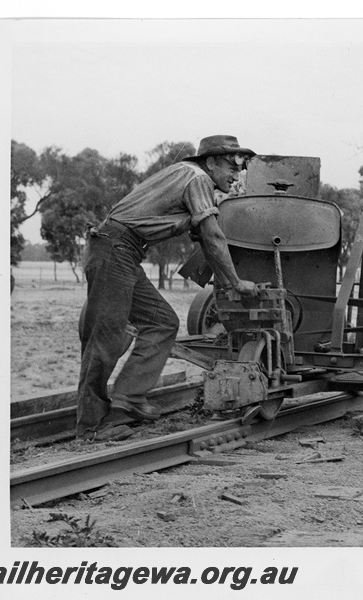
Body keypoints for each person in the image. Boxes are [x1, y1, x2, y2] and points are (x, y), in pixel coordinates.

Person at [77, 135, 259, 441]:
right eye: (231, 166)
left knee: (162, 322)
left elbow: (203, 236)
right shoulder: (197, 178)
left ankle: (129, 398)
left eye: (240, 170)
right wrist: (235, 284)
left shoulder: (188, 177)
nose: (236, 175)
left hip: (123, 252)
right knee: (105, 338)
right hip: (115, 250)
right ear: (211, 162)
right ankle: (92, 427)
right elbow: (213, 238)